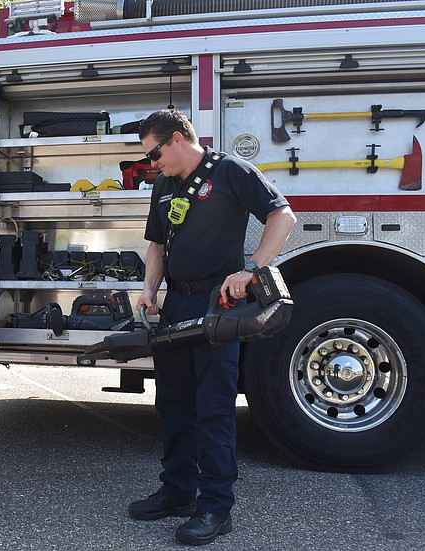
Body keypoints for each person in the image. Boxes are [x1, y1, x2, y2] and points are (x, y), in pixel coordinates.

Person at [130, 109, 297, 545]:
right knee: (173, 404)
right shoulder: (164, 186)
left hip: (215, 306)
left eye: (155, 153)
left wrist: (252, 270)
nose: (152, 164)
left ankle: (215, 507)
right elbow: (156, 244)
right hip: (176, 304)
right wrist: (149, 289)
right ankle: (178, 492)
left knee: (213, 408)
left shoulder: (229, 171)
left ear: (179, 138)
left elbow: (283, 217)